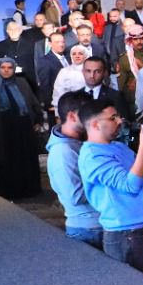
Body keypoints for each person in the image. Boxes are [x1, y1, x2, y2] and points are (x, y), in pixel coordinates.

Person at [79, 97, 143, 276]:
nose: (120, 121)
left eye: (118, 116)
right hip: (125, 233)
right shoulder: (92, 156)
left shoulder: (118, 147)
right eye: (113, 118)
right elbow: (131, 185)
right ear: (96, 124)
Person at [0, 57, 42, 199]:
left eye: (9, 68)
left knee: (23, 160)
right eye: (3, 67)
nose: (6, 70)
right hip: (0, 130)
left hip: (22, 129)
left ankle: (25, 190)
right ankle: (5, 192)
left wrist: (37, 120)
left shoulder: (22, 83)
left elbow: (32, 102)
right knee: (3, 159)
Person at [46, 90, 100, 248]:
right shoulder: (63, 152)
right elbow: (74, 196)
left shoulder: (76, 143)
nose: (94, 119)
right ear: (72, 116)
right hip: (88, 228)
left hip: (95, 225)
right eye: (88, 114)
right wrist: (109, 182)